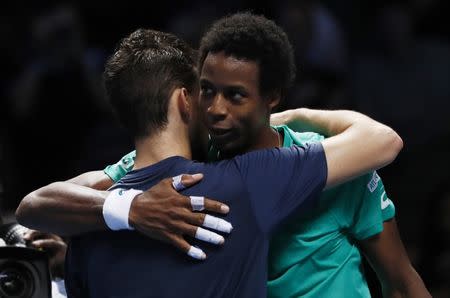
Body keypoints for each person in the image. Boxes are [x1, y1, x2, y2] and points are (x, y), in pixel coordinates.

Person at [21, 27, 401, 297]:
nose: (216, 110)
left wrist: (127, 209)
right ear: (186, 100)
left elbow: (33, 206)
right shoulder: (248, 182)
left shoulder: (89, 226)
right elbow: (383, 140)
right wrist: (298, 114)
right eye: (206, 92)